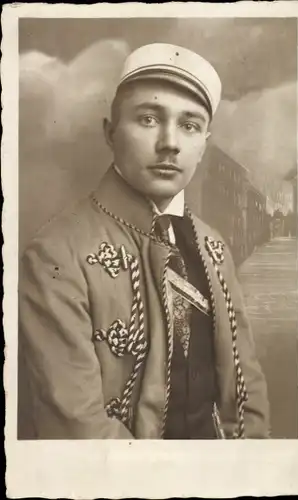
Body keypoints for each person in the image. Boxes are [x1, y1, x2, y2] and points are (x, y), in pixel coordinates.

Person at [19, 43, 270, 440]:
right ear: (110, 132)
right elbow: (78, 432)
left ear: (203, 144)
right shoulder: (55, 254)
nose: (170, 143)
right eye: (149, 118)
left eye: (189, 125)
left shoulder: (212, 246)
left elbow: (246, 393)